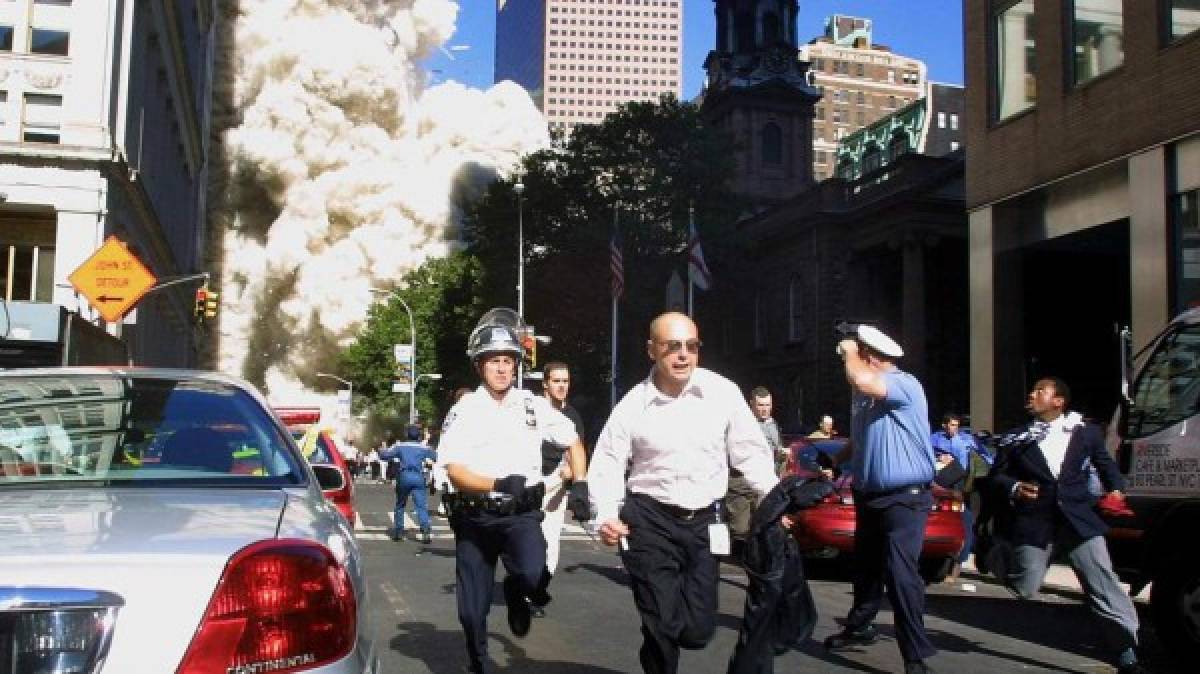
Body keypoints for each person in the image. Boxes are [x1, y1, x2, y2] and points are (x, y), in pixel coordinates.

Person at [589, 312, 780, 674]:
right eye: (672, 346)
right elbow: (609, 462)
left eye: (691, 346)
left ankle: (660, 644)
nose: (682, 355)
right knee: (661, 621)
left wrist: (774, 501)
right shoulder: (634, 405)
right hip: (649, 521)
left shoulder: (722, 393)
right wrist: (607, 515)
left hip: (705, 523)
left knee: (697, 631)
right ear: (651, 351)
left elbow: (750, 453)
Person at [435, 308, 588, 674]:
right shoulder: (465, 409)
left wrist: (580, 483)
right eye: (494, 362)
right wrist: (499, 483)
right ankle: (479, 661)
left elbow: (573, 441)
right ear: (479, 366)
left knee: (535, 576)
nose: (502, 369)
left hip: (521, 515)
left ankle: (519, 593)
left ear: (517, 364)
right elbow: (454, 470)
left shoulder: (533, 406)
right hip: (476, 516)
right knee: (472, 612)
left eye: (508, 361)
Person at [988, 377, 1143, 674]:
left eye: (1040, 391)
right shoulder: (1016, 438)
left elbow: (1105, 464)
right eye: (1032, 390)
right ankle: (995, 554)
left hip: (1078, 520)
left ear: (1058, 401)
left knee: (1104, 584)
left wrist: (1115, 489)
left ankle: (1126, 650)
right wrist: (1015, 486)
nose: (1032, 395)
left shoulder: (1085, 432)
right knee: (1025, 587)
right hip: (1036, 521)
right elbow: (995, 477)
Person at [822, 325, 937, 674]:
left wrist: (847, 348)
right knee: (867, 569)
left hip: (905, 498)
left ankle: (915, 657)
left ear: (869, 355)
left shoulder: (904, 383)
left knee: (901, 574)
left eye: (858, 353)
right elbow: (860, 438)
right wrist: (835, 462)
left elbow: (861, 379)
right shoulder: (865, 398)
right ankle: (860, 627)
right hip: (869, 495)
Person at [532, 360, 586, 617]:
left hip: (557, 485)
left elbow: (578, 450)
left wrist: (574, 476)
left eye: (565, 381)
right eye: (556, 381)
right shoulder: (531, 410)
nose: (562, 386)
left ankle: (537, 593)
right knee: (525, 539)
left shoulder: (573, 416)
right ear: (545, 384)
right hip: (530, 482)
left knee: (550, 541)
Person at [930, 412, 984, 582]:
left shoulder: (964, 442)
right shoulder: (934, 439)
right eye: (951, 425)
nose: (953, 428)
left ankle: (956, 568)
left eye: (956, 425)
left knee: (964, 522)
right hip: (936, 485)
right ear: (944, 425)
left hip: (958, 487)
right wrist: (939, 458)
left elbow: (964, 470)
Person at [727, 387, 782, 554]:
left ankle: (755, 565)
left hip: (765, 483)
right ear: (751, 404)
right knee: (741, 529)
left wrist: (781, 456)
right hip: (742, 483)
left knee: (762, 527)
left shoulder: (773, 425)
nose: (765, 409)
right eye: (760, 405)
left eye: (768, 405)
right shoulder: (741, 424)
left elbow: (774, 452)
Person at [380, 425, 436, 543]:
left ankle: (398, 532)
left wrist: (382, 448)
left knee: (400, 504)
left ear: (407, 435)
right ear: (418, 435)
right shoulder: (423, 447)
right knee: (421, 505)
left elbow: (384, 456)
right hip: (418, 476)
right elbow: (435, 456)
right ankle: (425, 530)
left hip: (404, 476)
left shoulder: (400, 446)